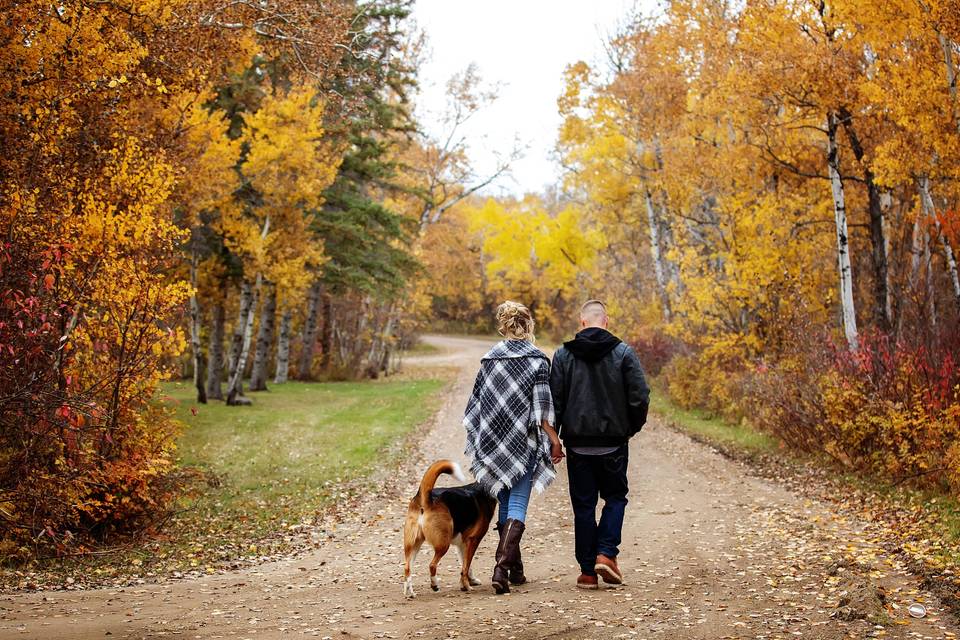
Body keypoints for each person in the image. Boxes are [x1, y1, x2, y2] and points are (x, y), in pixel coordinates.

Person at [462, 300, 564, 594]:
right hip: (523, 442)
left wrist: (480, 438)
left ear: (504, 325)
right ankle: (501, 568)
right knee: (517, 502)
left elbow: (476, 406)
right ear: (528, 325)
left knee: (506, 502)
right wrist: (555, 441)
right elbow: (542, 411)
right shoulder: (537, 360)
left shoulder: (489, 360)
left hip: (492, 442)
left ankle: (512, 569)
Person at [549, 300, 650, 589]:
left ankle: (587, 573)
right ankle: (606, 553)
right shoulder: (623, 353)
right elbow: (640, 397)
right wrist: (628, 429)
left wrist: (555, 439)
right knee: (615, 497)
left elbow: (554, 403)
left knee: (583, 506)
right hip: (613, 444)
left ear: (582, 323)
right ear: (605, 321)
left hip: (579, 445)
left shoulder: (564, 355)